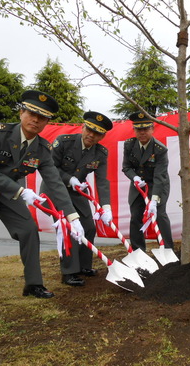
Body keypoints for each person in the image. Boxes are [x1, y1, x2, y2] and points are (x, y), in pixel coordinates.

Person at [0, 90, 85, 314]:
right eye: (32, 113)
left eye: (42, 117)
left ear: (47, 122)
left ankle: (33, 284)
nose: (35, 120)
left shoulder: (42, 148)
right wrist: (22, 191)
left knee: (28, 230)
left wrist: (73, 217)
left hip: (6, 193)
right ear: (21, 111)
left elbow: (54, 182)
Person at [41, 111, 113, 286]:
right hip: (55, 190)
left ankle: (83, 266)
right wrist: (69, 179)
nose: (91, 135)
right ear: (83, 127)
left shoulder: (100, 153)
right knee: (69, 228)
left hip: (76, 192)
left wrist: (106, 206)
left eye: (97, 133)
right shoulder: (64, 142)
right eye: (89, 129)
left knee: (88, 226)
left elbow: (102, 181)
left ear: (102, 136)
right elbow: (49, 168)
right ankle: (69, 272)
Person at [122, 112, 173, 251]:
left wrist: (154, 200)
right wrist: (135, 178)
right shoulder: (129, 145)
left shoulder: (160, 149)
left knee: (159, 215)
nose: (142, 132)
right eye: (139, 129)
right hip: (138, 186)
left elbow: (160, 176)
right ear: (134, 130)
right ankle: (138, 251)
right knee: (135, 216)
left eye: (146, 129)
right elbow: (126, 167)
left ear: (152, 129)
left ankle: (167, 250)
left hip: (158, 185)